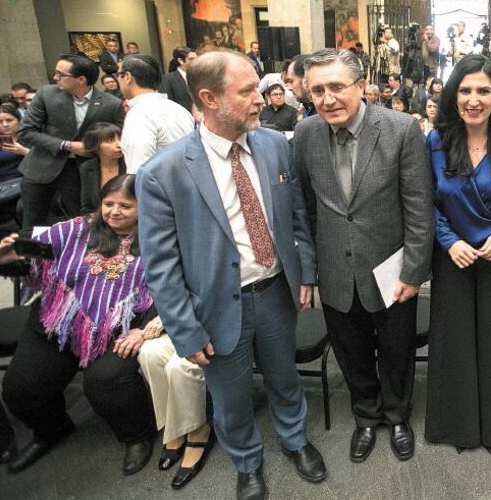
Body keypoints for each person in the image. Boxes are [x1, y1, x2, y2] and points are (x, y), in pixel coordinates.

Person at [136, 50, 326, 500]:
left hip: (277, 292)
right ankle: (246, 462)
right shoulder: (162, 174)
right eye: (246, 92)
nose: (260, 99)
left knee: (284, 377)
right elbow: (160, 265)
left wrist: (307, 274)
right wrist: (184, 329)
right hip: (217, 305)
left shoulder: (276, 145)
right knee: (231, 396)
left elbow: (297, 217)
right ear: (209, 98)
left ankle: (296, 441)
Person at [293, 50, 433, 465]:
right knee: (351, 351)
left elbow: (419, 208)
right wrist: (312, 269)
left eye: (336, 87)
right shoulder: (305, 135)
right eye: (317, 90)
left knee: (396, 349)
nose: (327, 98)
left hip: (390, 268)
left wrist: (413, 271)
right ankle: (367, 417)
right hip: (335, 267)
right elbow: (305, 207)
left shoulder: (401, 129)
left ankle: (397, 414)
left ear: (360, 86)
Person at [1, 175, 157, 474]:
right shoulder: (75, 229)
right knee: (21, 388)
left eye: (125, 206)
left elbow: (169, 288)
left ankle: (137, 436)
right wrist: (3, 260)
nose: (113, 212)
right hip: (58, 321)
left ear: (144, 206)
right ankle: (51, 430)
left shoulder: (158, 237)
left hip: (120, 329)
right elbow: (29, 262)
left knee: (105, 382)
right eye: (108, 204)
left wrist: (145, 329)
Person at [424, 54, 491, 451]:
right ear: (454, 96)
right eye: (466, 90)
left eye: (483, 90)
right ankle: (460, 426)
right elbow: (424, 203)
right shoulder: (435, 142)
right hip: (453, 259)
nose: (474, 99)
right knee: (456, 343)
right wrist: (449, 242)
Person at [17, 54, 125, 231]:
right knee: (32, 224)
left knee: (82, 223)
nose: (55, 78)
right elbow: (26, 131)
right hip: (41, 167)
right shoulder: (46, 94)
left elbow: (119, 136)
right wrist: (67, 145)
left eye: (61, 74)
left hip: (81, 171)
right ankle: (33, 259)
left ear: (81, 79)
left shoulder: (111, 104)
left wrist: (94, 146)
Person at [137, 318, 214, 489]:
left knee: (179, 367)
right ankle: (176, 428)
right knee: (150, 354)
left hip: (206, 321)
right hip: (178, 322)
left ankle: (199, 430)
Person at [117, 55, 195, 173]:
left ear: (127, 77)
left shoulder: (139, 114)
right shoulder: (180, 110)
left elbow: (139, 171)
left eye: (118, 75)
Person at [78, 122, 126, 214]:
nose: (119, 145)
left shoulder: (131, 165)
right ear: (95, 146)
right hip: (99, 221)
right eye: (110, 141)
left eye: (120, 139)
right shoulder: (87, 168)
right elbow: (87, 207)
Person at [159, 47, 198, 112]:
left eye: (196, 58)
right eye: (191, 59)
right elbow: (166, 103)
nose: (195, 62)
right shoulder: (169, 79)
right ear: (180, 61)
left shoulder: (201, 76)